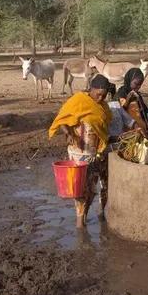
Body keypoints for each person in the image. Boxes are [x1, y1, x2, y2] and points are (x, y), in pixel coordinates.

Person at [48, 74, 112, 228]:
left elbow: (104, 126)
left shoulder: (103, 106)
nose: (100, 98)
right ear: (91, 89)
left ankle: (86, 218)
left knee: (91, 187)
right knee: (81, 189)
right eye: (98, 94)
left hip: (96, 153)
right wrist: (68, 133)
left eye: (104, 95)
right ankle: (79, 224)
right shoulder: (78, 100)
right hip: (79, 152)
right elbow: (63, 119)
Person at [116, 68, 148, 140]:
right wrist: (127, 100)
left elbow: (143, 113)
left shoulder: (137, 95)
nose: (138, 87)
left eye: (140, 85)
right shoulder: (121, 93)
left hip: (141, 129)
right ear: (129, 80)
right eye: (136, 84)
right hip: (128, 132)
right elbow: (118, 113)